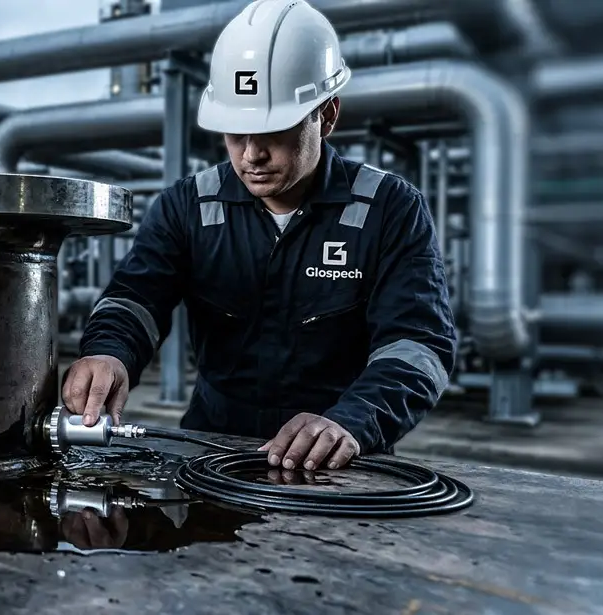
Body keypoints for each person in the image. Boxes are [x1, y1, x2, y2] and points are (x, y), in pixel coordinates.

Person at [61, 0, 456, 471]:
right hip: (210, 451)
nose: (252, 155)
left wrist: (353, 421)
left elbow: (419, 345)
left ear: (326, 116)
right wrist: (108, 353)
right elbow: (135, 299)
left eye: (273, 130)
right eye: (236, 132)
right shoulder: (189, 206)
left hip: (332, 464)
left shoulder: (389, 209)